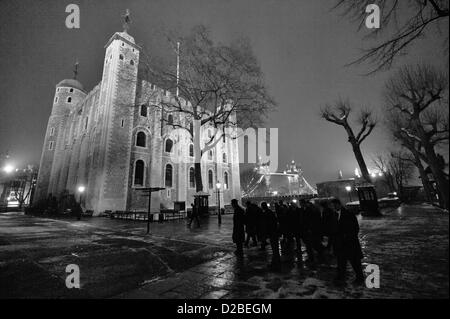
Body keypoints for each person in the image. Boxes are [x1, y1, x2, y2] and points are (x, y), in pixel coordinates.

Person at [330, 198, 365, 284]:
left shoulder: (349, 214)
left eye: (335, 205)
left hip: (349, 243)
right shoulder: (334, 215)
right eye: (333, 206)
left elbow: (355, 228)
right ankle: (341, 276)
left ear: (339, 204)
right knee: (341, 262)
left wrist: (348, 236)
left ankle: (359, 278)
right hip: (339, 244)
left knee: (355, 262)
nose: (334, 207)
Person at [261, 202, 280, 269]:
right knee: (275, 247)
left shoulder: (266, 213)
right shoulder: (270, 212)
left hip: (272, 232)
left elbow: (267, 224)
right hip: (273, 231)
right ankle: (276, 261)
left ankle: (276, 263)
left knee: (274, 247)